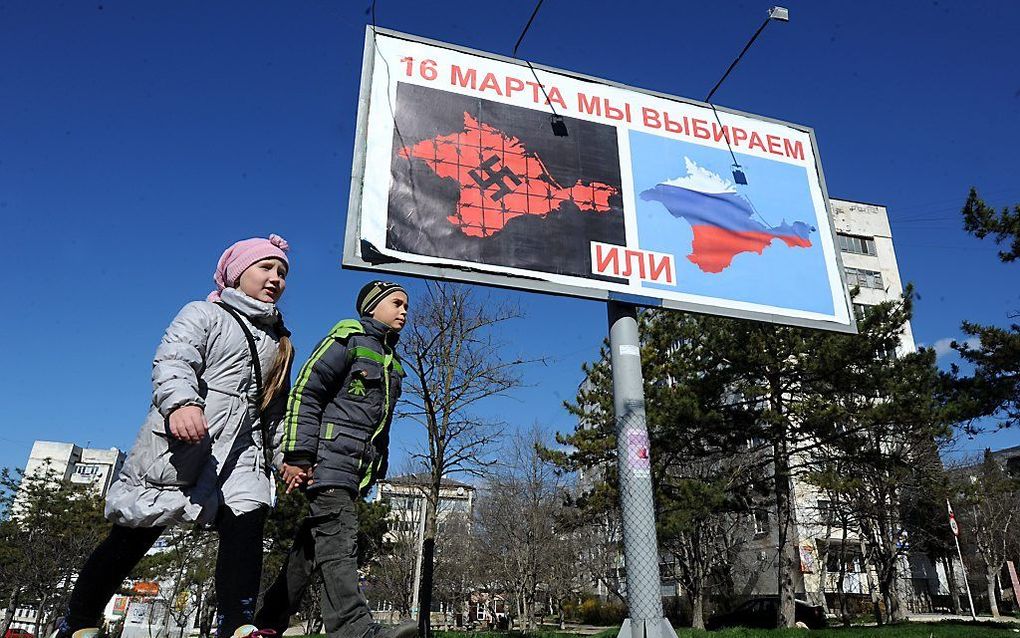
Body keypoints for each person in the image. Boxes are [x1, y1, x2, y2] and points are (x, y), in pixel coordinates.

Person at [55, 235, 295, 638]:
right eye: (266, 268)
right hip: (185, 445)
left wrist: (285, 458)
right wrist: (182, 402)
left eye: (283, 273)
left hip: (242, 452)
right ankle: (77, 622)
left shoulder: (279, 341)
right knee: (135, 533)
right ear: (237, 274)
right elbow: (173, 359)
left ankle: (238, 626)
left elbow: (273, 411)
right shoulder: (203, 313)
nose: (276, 278)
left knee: (248, 524)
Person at [255, 281, 415, 638]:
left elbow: (379, 425)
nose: (404, 311)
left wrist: (378, 466)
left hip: (353, 470)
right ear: (372, 307)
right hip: (327, 461)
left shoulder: (393, 363)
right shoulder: (348, 338)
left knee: (311, 548)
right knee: (341, 540)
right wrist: (297, 454)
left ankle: (267, 624)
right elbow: (307, 391)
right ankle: (355, 630)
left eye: (407, 305)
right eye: (397, 303)